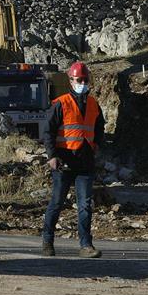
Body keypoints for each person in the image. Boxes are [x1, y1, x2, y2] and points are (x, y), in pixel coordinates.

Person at [41, 61, 106, 258]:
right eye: (79, 80)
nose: (83, 83)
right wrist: (52, 156)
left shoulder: (94, 104)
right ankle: (47, 241)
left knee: (85, 204)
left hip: (85, 161)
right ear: (70, 80)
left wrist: (97, 147)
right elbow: (48, 132)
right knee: (57, 202)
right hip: (63, 160)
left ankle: (86, 245)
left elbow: (99, 128)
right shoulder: (60, 104)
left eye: (85, 80)